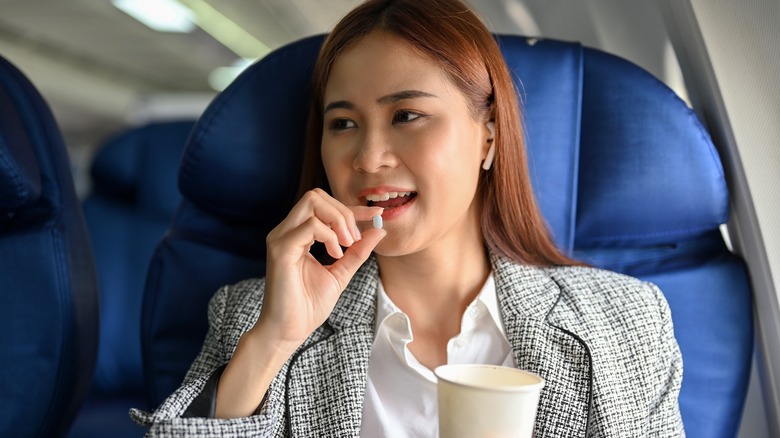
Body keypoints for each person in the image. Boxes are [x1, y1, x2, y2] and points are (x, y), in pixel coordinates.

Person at [131, 0, 684, 436]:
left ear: (488, 136)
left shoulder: (625, 320)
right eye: (343, 123)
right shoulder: (251, 316)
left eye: (407, 115)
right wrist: (275, 339)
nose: (369, 159)